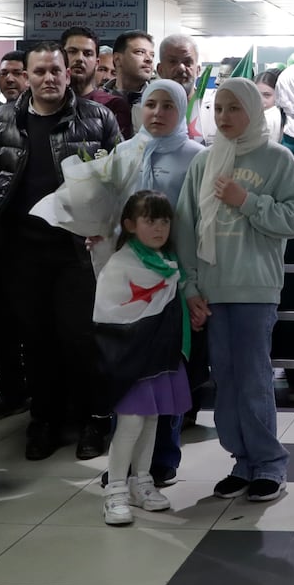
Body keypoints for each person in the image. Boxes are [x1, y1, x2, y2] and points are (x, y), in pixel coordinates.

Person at [0, 41, 121, 461]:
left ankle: (95, 418)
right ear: (25, 76)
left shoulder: (97, 118)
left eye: (56, 71)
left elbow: (120, 179)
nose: (49, 79)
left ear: (68, 73)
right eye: (40, 72)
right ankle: (45, 419)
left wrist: (108, 228)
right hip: (21, 253)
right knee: (35, 342)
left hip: (76, 252)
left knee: (80, 339)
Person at [174, 77, 294, 502]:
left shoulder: (277, 158)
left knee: (253, 378)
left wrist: (245, 200)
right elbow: (185, 228)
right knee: (226, 380)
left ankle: (270, 464)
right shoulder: (204, 161)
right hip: (213, 289)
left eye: (234, 108)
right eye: (218, 108)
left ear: (253, 110)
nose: (224, 117)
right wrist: (191, 286)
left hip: (255, 286)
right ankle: (242, 461)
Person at [95, 191, 193, 526]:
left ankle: (141, 482)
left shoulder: (167, 262)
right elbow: (109, 311)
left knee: (152, 420)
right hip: (129, 355)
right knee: (131, 421)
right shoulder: (120, 261)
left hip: (158, 354)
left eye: (164, 221)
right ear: (130, 225)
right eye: (150, 220)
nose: (159, 228)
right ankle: (115, 490)